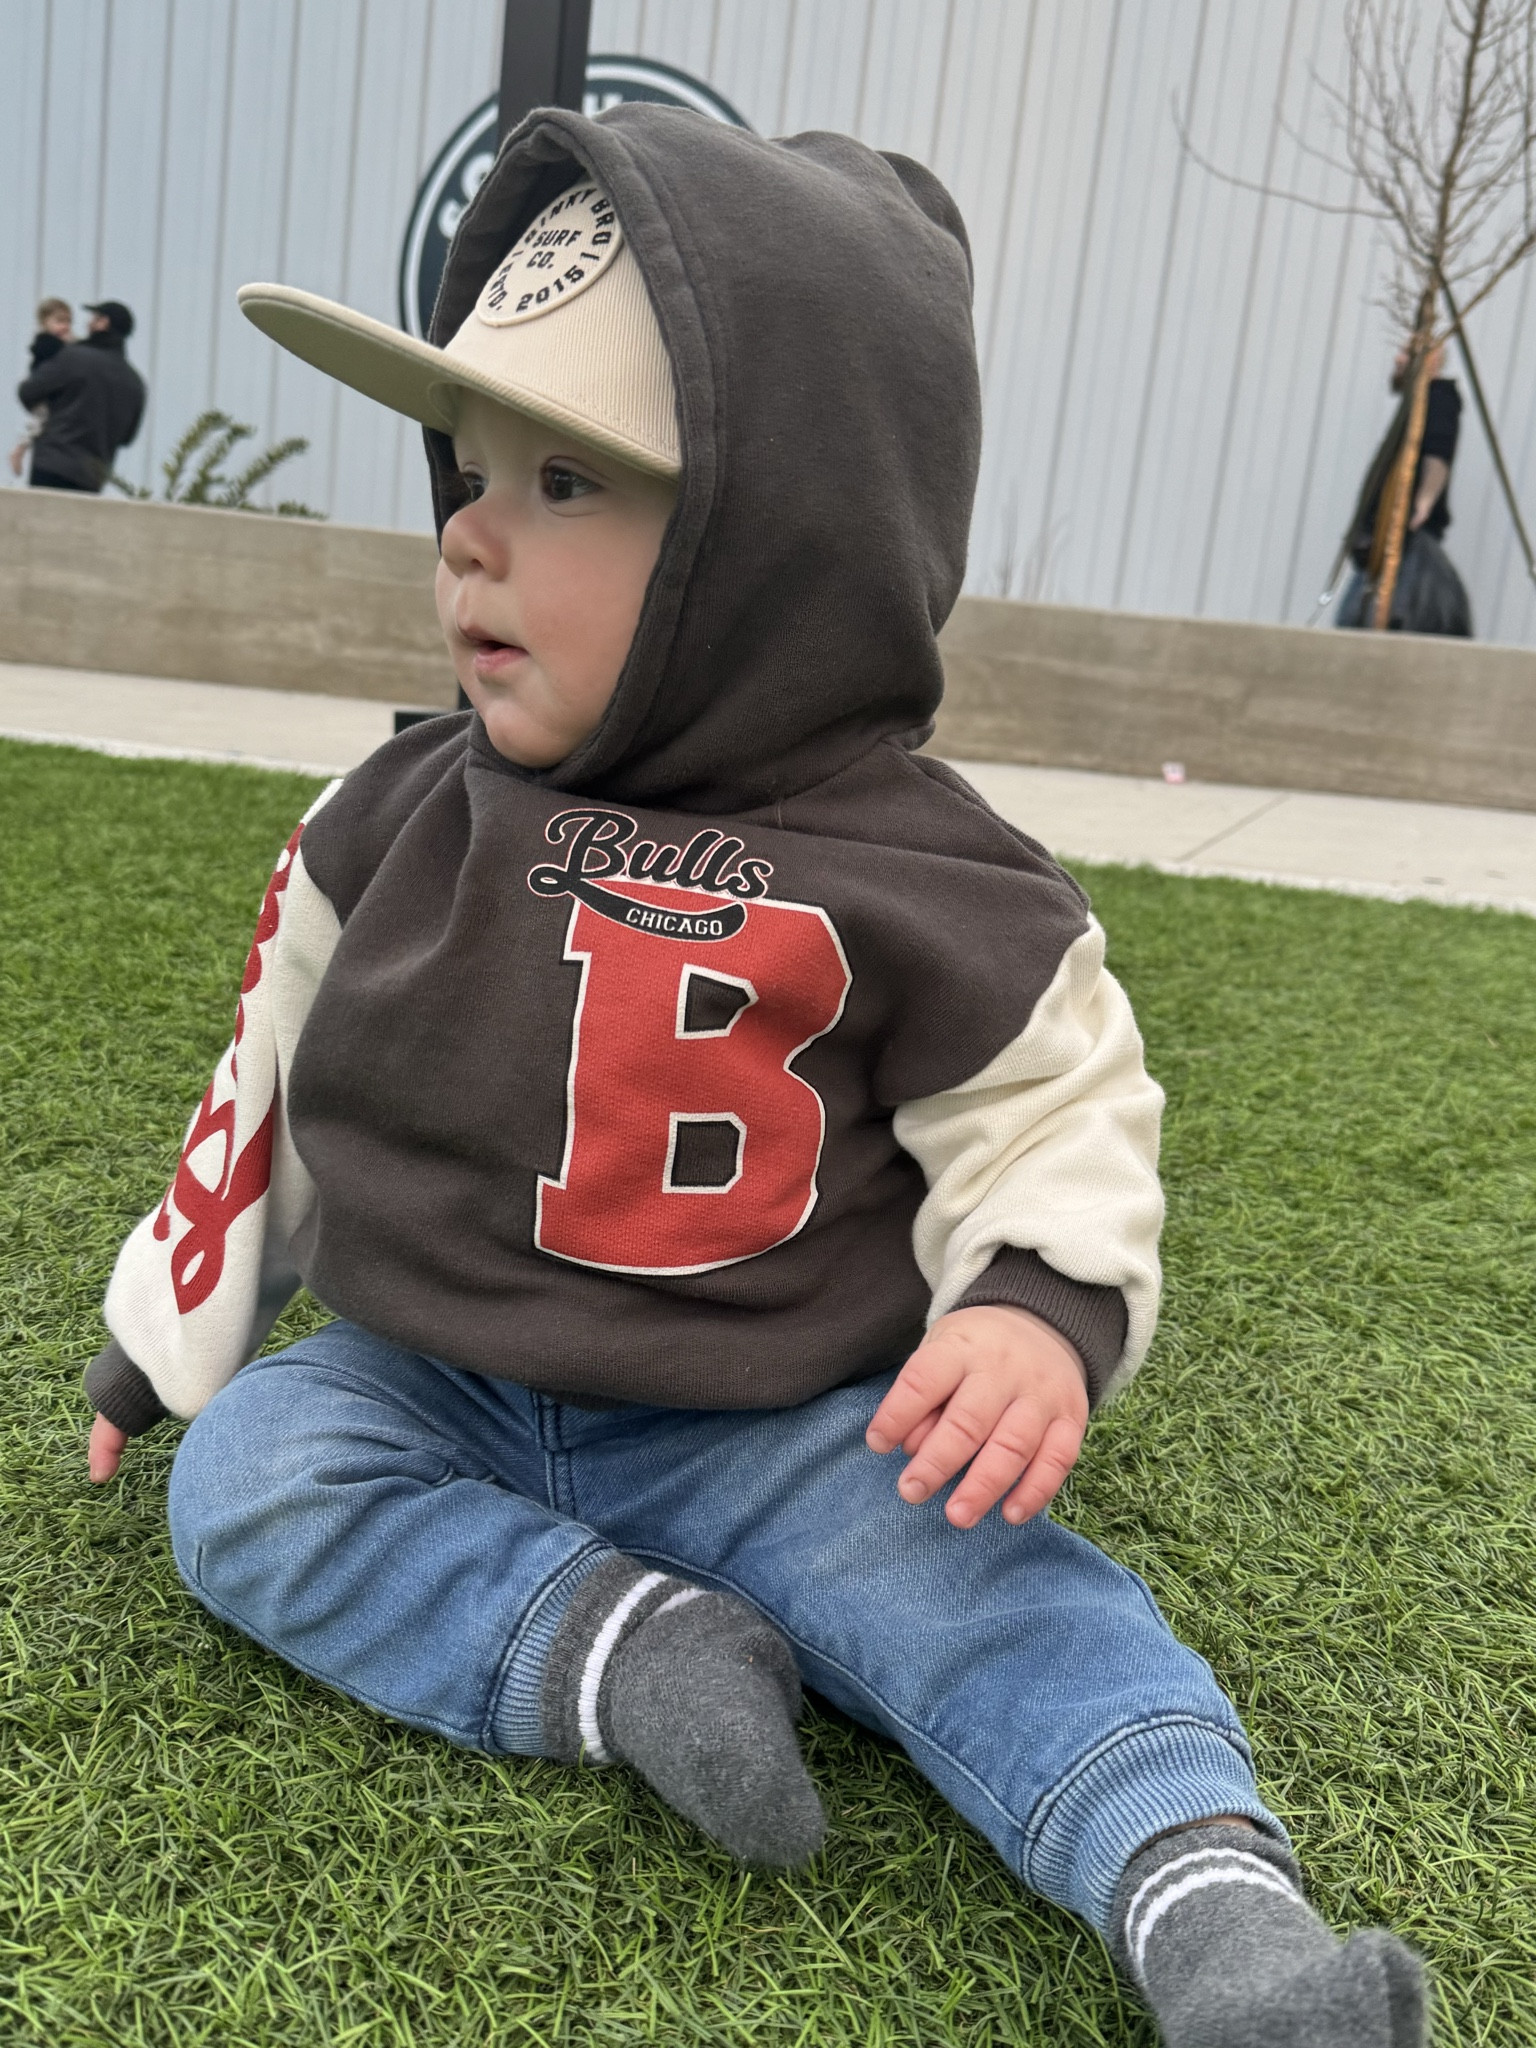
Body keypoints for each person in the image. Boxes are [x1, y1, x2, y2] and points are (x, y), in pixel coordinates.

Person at [82, 108, 1427, 2048]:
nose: (470, 529)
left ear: (775, 534)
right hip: (434, 1377)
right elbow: (271, 1082)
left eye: (564, 479)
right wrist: (172, 1329)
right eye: (467, 468)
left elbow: (1058, 1112)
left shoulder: (931, 873)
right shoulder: (389, 818)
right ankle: (621, 1651)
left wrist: (1039, 1311)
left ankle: (1214, 1911)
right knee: (257, 1479)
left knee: (995, 1593)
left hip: (777, 1408)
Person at [1337, 343, 1471, 635]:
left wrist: (1424, 502)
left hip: (1404, 539)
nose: (1398, 359)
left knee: (1381, 622)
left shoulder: (1439, 397)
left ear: (1431, 359)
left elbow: (1439, 451)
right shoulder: (1417, 403)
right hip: (1383, 541)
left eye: (1407, 353)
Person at [16, 298, 145, 493]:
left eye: (94, 318)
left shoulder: (72, 357)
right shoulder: (135, 383)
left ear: (103, 323)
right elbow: (127, 437)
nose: (87, 323)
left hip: (51, 467)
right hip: (93, 477)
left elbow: (28, 391)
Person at [8, 297, 74, 478]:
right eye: (59, 321)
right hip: (45, 395)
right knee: (39, 422)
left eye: (68, 321)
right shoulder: (47, 342)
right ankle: (19, 449)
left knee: (40, 423)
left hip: (51, 392)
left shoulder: (56, 343)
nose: (65, 326)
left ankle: (20, 448)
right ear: (45, 323)